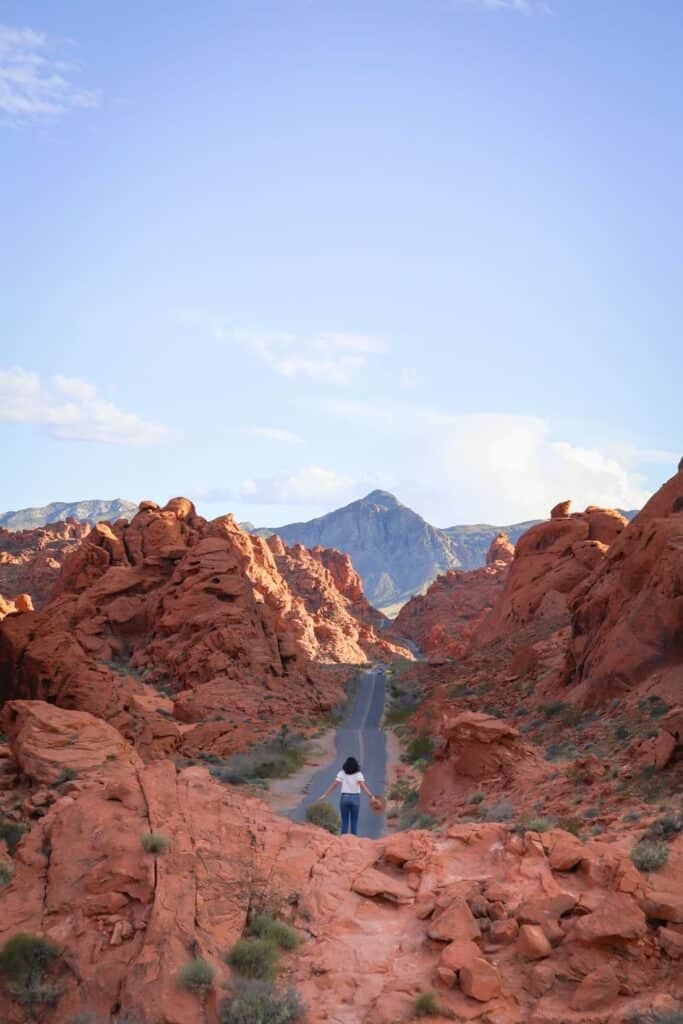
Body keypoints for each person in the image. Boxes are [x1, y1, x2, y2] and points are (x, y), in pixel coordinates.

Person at [320, 756, 377, 836]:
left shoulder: (342, 773)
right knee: (354, 821)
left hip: (344, 798)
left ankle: (343, 841)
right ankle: (353, 841)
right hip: (355, 799)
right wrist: (371, 796)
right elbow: (363, 787)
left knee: (345, 821)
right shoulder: (358, 774)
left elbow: (334, 784)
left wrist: (325, 794)